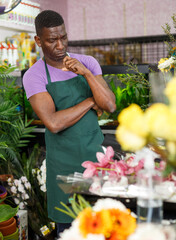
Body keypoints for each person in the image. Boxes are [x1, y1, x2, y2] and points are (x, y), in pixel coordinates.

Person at [23, 10, 116, 236]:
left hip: (96, 160)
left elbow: (110, 105)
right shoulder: (35, 76)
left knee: (104, 227)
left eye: (63, 37)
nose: (60, 44)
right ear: (38, 40)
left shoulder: (88, 63)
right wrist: (89, 101)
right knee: (71, 230)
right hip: (64, 170)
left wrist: (86, 73)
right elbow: (54, 122)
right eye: (52, 40)